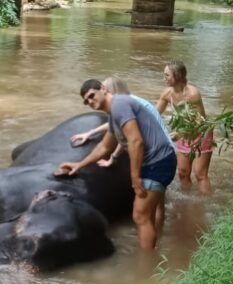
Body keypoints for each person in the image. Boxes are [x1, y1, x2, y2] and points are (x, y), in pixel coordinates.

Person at [56, 79, 177, 250]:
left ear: (103, 89)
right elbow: (104, 147)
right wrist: (78, 164)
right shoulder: (114, 115)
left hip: (157, 163)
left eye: (91, 95)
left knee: (140, 216)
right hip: (156, 162)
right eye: (86, 101)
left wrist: (135, 178)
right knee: (146, 215)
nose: (90, 101)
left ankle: (146, 266)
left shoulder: (120, 104)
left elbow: (136, 142)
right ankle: (152, 252)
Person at [156, 62, 213, 194]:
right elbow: (154, 113)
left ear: (177, 76)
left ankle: (207, 206)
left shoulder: (192, 93)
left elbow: (201, 120)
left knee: (200, 175)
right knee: (183, 173)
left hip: (201, 132)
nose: (164, 78)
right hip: (183, 132)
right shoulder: (167, 93)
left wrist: (191, 136)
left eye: (167, 75)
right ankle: (188, 203)